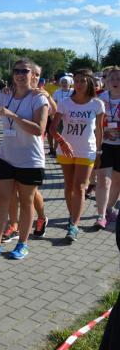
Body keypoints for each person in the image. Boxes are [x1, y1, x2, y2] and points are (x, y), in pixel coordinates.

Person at [0, 58, 49, 260]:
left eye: (24, 71)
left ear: (33, 75)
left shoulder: (38, 99)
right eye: (16, 70)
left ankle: (22, 244)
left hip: (30, 160)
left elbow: (39, 129)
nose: (19, 74)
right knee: (1, 201)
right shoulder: (4, 95)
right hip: (6, 157)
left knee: (26, 202)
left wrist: (13, 116)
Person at [2, 63, 56, 240]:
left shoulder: (39, 95)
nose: (35, 78)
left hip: (32, 149)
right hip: (12, 150)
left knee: (31, 194)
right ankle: (13, 224)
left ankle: (41, 217)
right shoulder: (13, 93)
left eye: (37, 75)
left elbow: (54, 111)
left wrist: (47, 96)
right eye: (17, 71)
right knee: (12, 191)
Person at [50, 69, 104, 242]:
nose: (79, 84)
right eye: (77, 81)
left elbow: (99, 131)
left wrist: (99, 151)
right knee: (69, 186)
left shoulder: (97, 104)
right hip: (65, 150)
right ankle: (72, 215)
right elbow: (52, 128)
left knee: (80, 187)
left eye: (83, 81)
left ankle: (74, 224)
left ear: (89, 83)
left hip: (86, 150)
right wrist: (61, 142)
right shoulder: (65, 103)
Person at [93, 66, 120, 229]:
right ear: (106, 82)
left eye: (119, 78)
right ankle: (101, 216)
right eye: (112, 78)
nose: (115, 81)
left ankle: (110, 208)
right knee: (102, 180)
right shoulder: (100, 99)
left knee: (117, 180)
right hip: (103, 144)